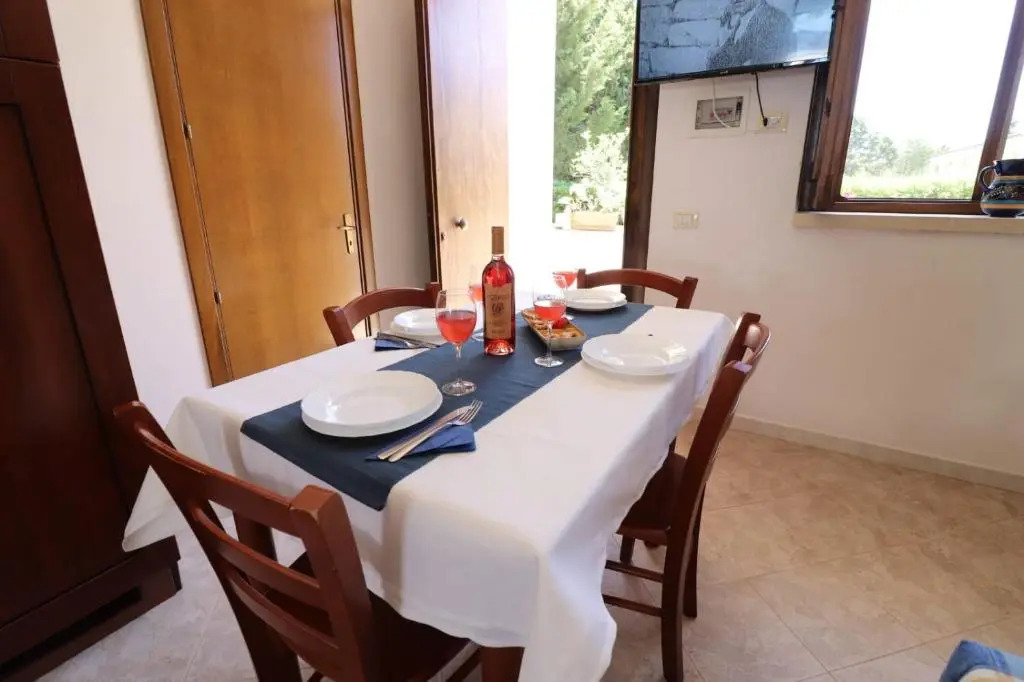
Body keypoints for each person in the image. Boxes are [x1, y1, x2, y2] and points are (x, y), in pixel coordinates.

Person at [707, 0, 796, 71]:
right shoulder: (736, 23)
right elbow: (714, 65)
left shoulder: (775, 19)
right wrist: (724, 29)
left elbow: (765, 68)